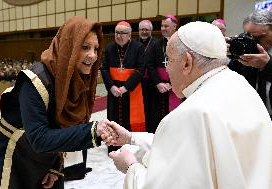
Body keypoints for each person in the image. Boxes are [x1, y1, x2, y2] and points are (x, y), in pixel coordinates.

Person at [108, 21, 272, 189]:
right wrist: (131, 137)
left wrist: (131, 167)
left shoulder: (192, 113)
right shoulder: (238, 83)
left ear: (187, 62)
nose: (167, 70)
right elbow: (190, 145)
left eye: (169, 60)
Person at [0, 16, 115, 189]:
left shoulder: (79, 80)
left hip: (43, 156)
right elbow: (39, 137)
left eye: (96, 48)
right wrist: (93, 131)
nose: (93, 55)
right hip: (10, 155)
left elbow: (61, 127)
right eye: (85, 47)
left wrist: (55, 167)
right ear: (68, 46)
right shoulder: (35, 79)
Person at [100, 21, 145, 152]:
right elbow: (104, 69)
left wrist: (126, 87)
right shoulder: (109, 48)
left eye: (123, 33)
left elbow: (141, 69)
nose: (119, 36)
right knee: (113, 118)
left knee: (129, 119)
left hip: (131, 90)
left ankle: (129, 147)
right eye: (117, 33)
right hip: (114, 90)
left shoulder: (138, 47)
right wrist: (111, 87)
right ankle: (113, 145)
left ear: (129, 35)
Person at [228, 10, 272, 116]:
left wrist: (267, 66)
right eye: (250, 38)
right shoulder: (244, 60)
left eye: (259, 37)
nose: (254, 43)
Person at [145, 15, 181, 133]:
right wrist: (158, 83)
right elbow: (149, 64)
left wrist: (172, 83)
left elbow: (184, 65)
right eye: (162, 26)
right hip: (158, 89)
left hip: (175, 87)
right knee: (156, 117)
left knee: (174, 118)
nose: (163, 28)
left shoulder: (181, 44)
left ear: (174, 26)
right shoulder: (155, 44)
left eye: (166, 26)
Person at [137, 20, 157, 133]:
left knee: (151, 110)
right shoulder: (133, 44)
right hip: (137, 84)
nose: (144, 32)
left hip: (152, 83)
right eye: (142, 29)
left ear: (151, 31)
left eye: (146, 30)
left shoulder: (156, 44)